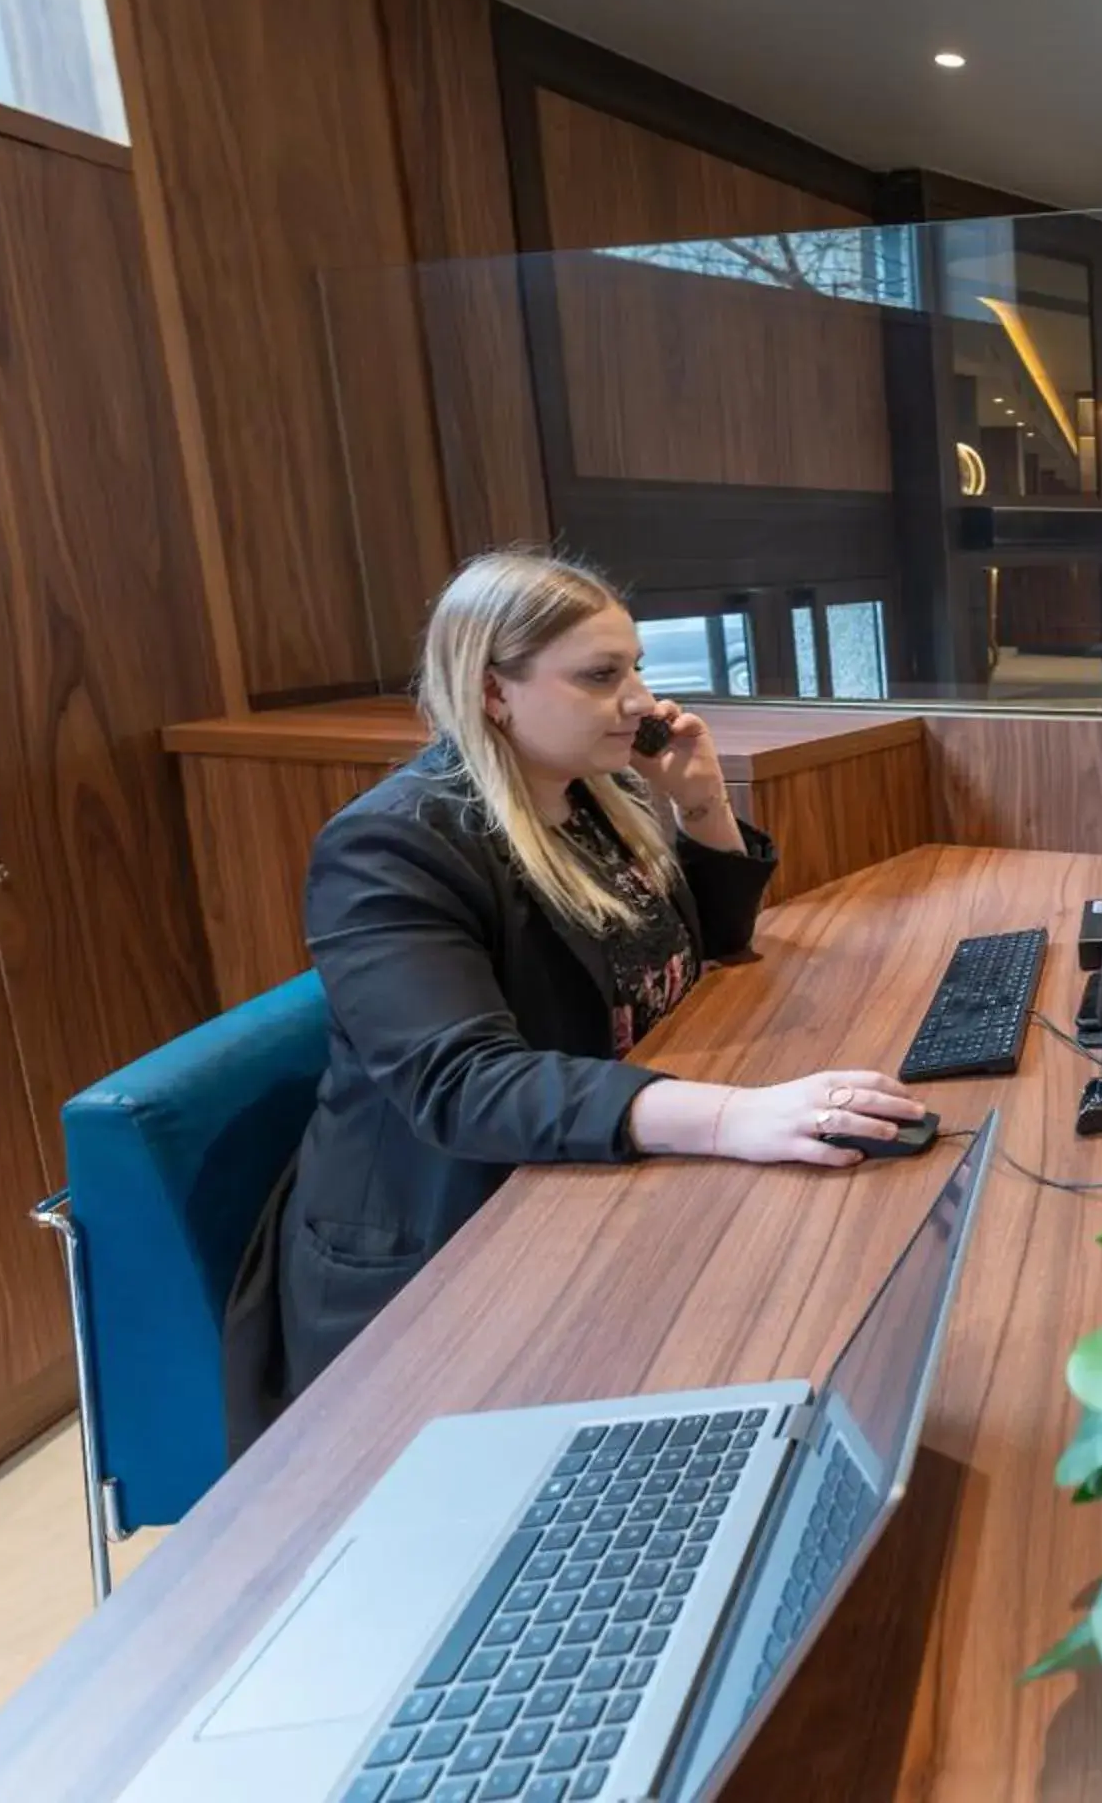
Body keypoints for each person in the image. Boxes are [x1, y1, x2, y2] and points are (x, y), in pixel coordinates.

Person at [257, 550, 924, 1403]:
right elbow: (463, 1085)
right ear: (494, 692)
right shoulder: (395, 846)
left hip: (580, 1172)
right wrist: (730, 1116)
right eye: (601, 676)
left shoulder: (593, 796)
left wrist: (700, 805)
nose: (641, 701)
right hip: (454, 1252)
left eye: (637, 668)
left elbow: (699, 951)